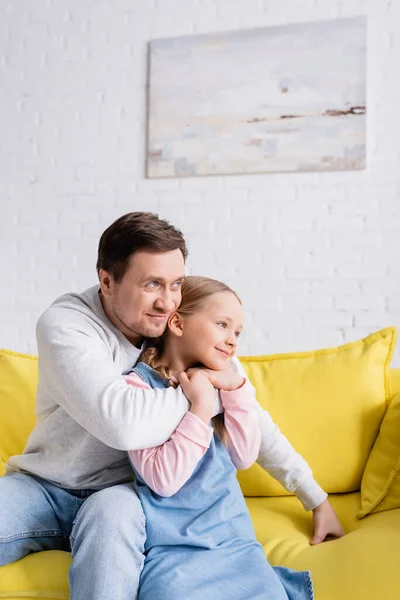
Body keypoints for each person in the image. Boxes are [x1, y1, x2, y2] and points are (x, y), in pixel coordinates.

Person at [0, 213, 344, 600]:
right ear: (107, 281)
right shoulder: (68, 325)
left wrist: (315, 496)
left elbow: (251, 418)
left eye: (176, 284)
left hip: (128, 495)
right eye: (151, 285)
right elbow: (123, 423)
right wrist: (205, 392)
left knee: (111, 517)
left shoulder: (184, 325)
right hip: (47, 485)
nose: (166, 302)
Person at [127, 275, 317, 600]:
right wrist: (200, 407)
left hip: (233, 540)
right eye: (222, 324)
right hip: (173, 549)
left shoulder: (225, 382)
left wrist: (236, 389)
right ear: (177, 323)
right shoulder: (137, 389)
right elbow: (164, 481)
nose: (232, 341)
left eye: (237, 332)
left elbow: (244, 456)